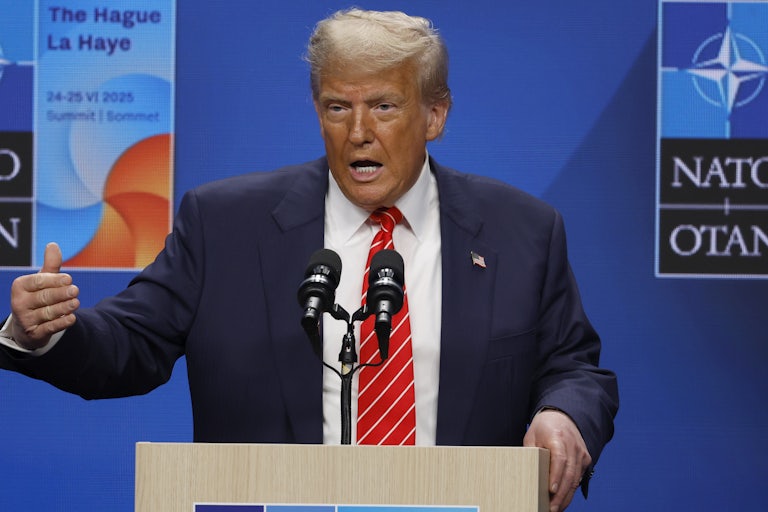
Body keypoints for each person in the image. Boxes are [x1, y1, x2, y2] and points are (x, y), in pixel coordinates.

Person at [0, 9, 618, 512]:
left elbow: (575, 368)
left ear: (435, 115)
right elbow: (129, 345)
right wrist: (48, 333)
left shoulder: (522, 232)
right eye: (336, 107)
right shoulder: (224, 224)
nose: (358, 132)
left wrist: (563, 416)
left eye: (384, 105)